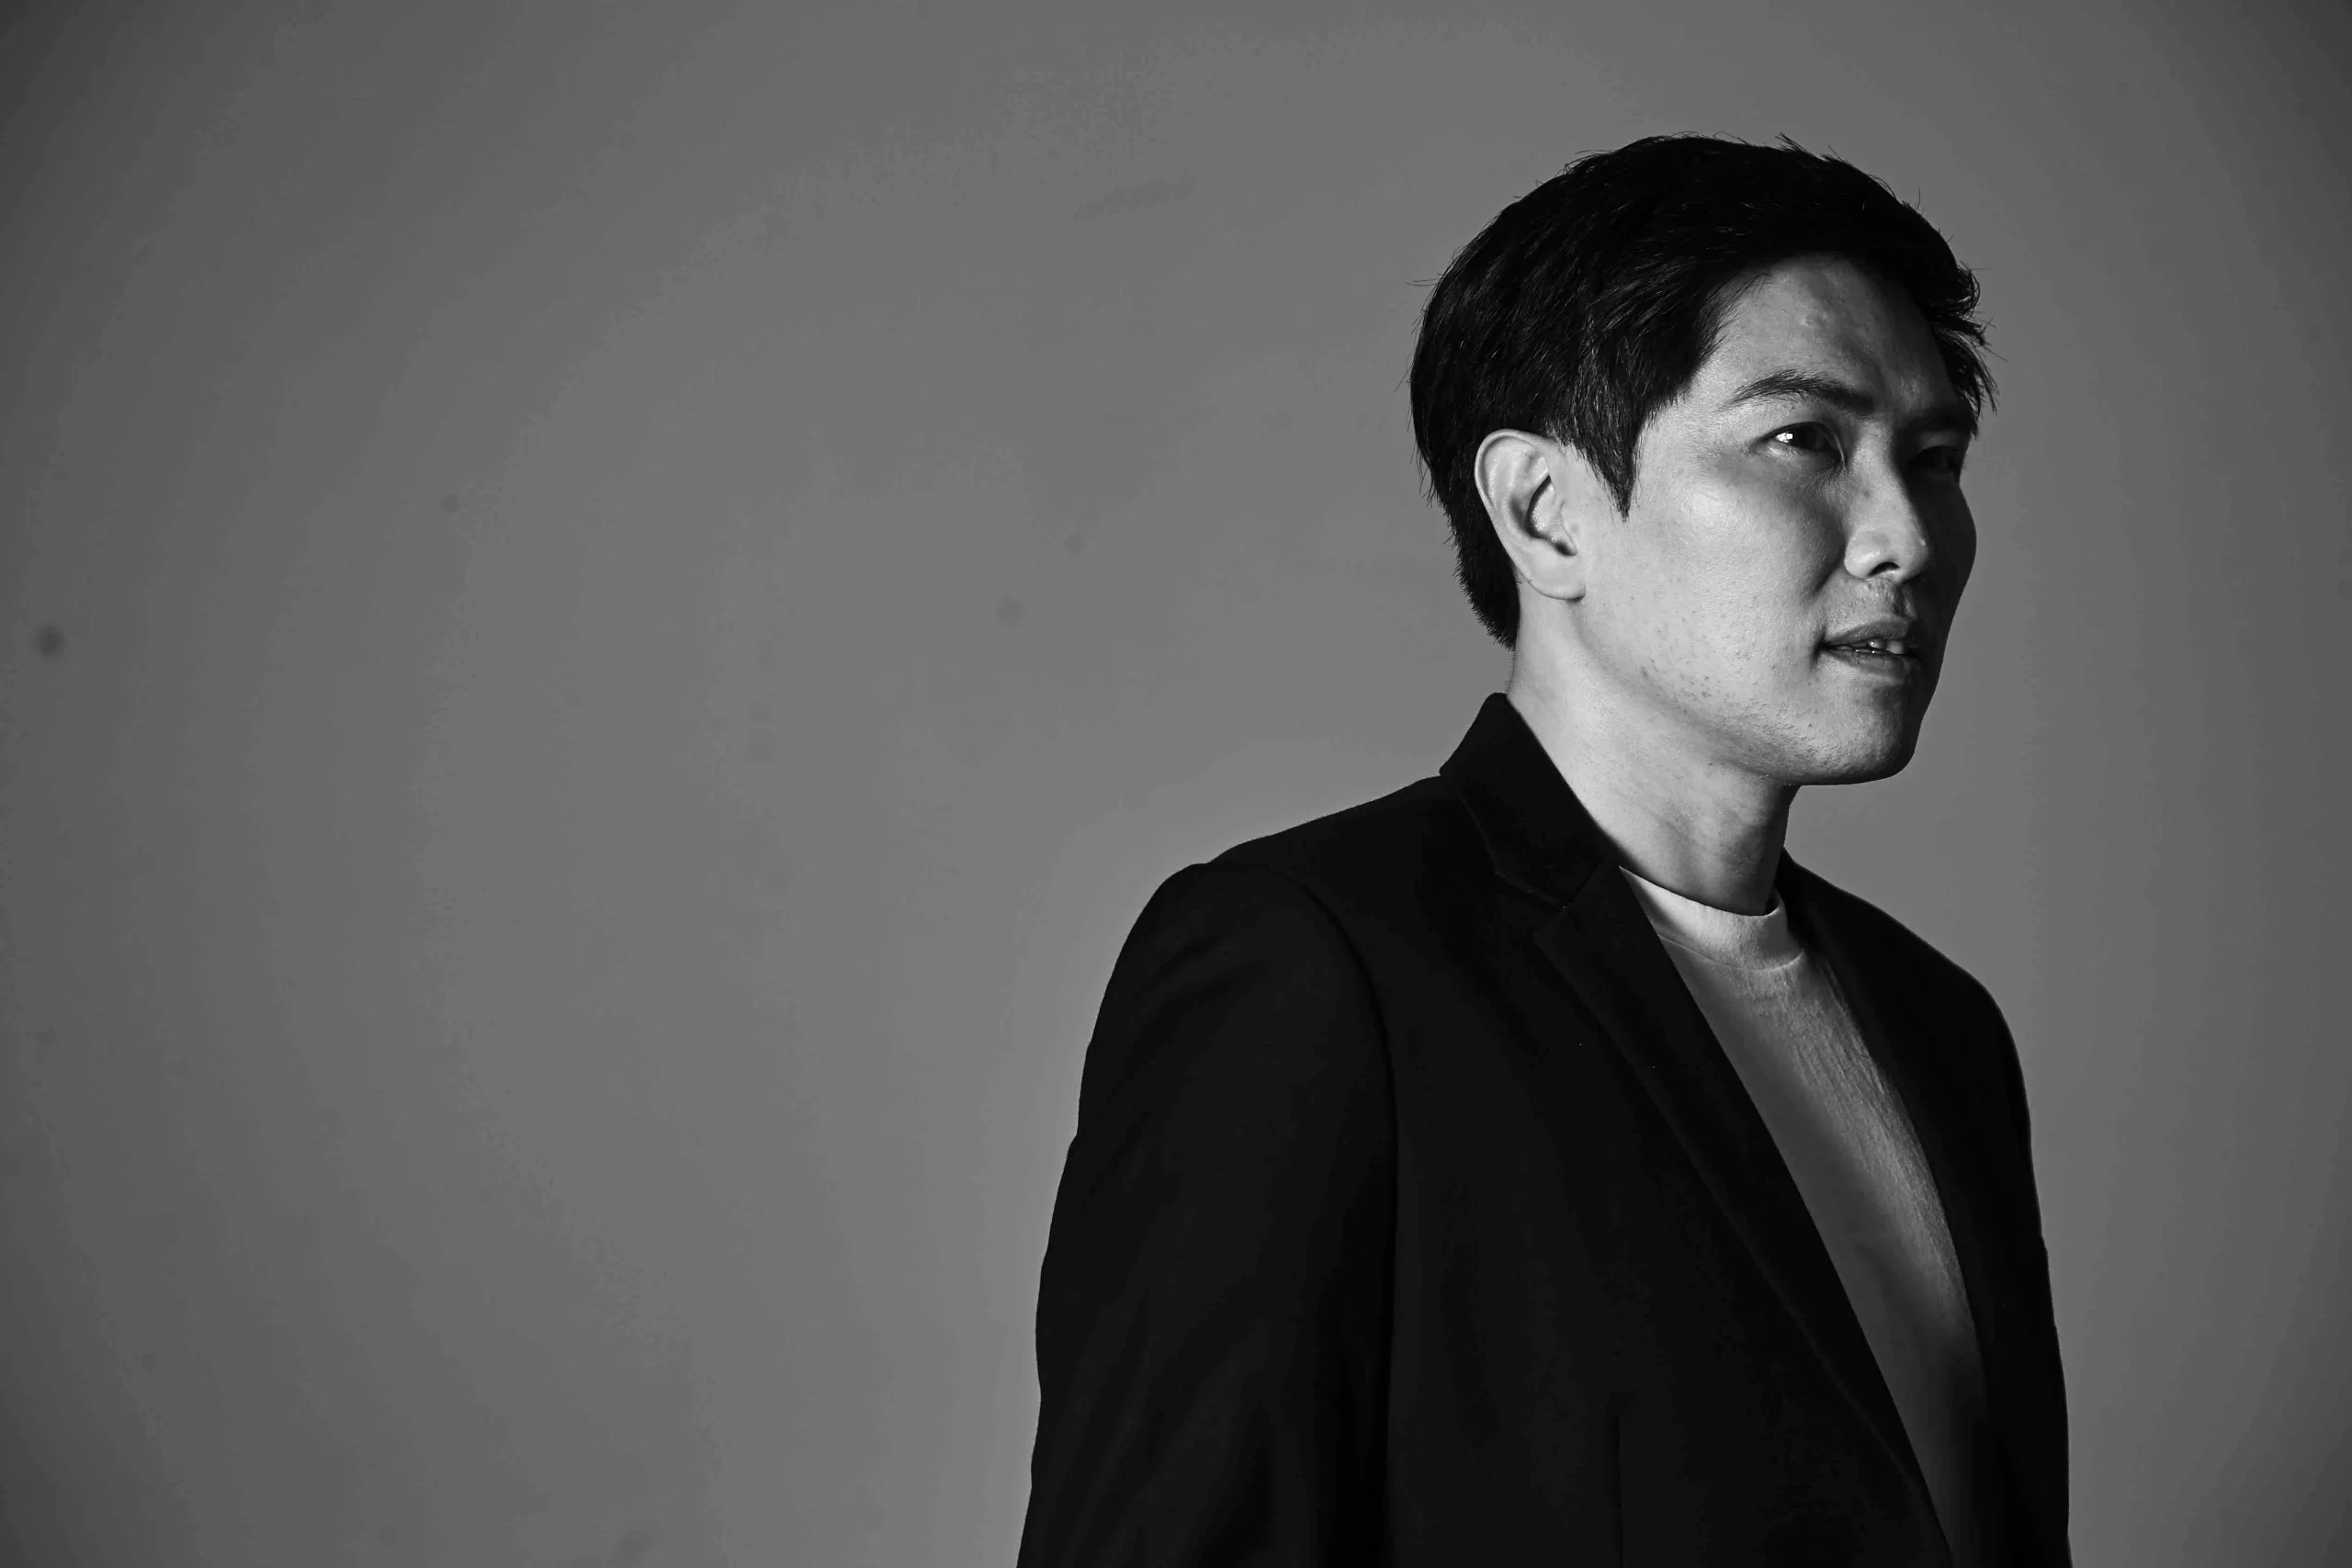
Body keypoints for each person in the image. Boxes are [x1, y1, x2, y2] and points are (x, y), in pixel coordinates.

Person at [1015, 134, 2068, 1565]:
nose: (1909, 537)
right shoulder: (1315, 973)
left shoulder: (1944, 1028)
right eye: (1804, 441)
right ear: (1542, 510)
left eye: (1933, 461)